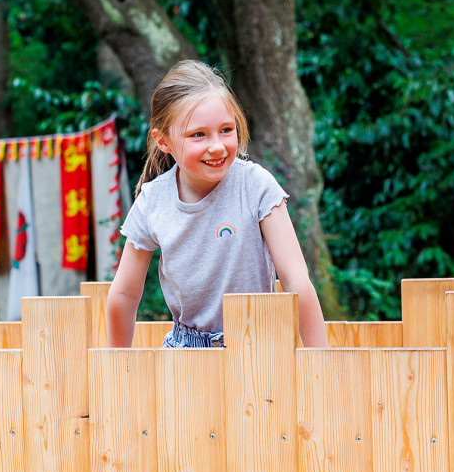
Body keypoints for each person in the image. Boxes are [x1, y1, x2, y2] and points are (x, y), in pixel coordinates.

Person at [106, 60, 329, 348]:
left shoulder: (255, 186)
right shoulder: (153, 201)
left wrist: (321, 362)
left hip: (259, 345)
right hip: (187, 352)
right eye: (198, 134)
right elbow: (124, 294)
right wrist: (118, 366)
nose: (217, 146)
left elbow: (296, 279)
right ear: (163, 141)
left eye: (226, 129)